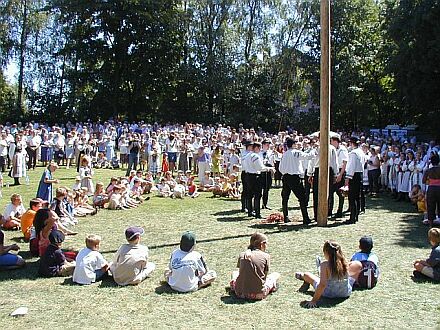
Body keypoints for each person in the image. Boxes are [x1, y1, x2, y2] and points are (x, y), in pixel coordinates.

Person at [295, 240, 355, 308]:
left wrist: (313, 301)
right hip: (345, 293)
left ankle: (302, 276)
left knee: (307, 275)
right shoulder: (346, 263)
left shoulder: (325, 265)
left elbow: (322, 284)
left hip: (328, 293)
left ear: (326, 252)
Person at [229, 232, 280, 300]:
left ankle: (235, 287)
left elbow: (241, 272)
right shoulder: (266, 256)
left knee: (234, 273)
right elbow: (264, 277)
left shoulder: (242, 255)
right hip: (258, 294)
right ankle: (272, 287)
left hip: (240, 293)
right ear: (262, 244)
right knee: (276, 275)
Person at [279, 137, 313, 224]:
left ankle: (285, 216)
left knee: (285, 198)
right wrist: (313, 149)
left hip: (286, 177)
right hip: (295, 178)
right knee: (302, 198)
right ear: (293, 144)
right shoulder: (296, 153)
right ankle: (306, 218)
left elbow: (280, 168)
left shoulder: (285, 154)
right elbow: (308, 157)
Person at [244, 142, 274, 219]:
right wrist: (269, 168)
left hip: (247, 175)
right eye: (259, 148)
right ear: (256, 148)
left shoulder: (247, 155)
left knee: (250, 195)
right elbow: (260, 168)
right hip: (255, 176)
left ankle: (250, 211)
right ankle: (257, 213)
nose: (260, 150)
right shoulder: (255, 156)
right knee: (257, 195)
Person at [345, 137, 365, 224]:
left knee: (352, 197)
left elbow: (351, 166)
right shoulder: (361, 152)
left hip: (354, 175)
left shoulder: (353, 153)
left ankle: (352, 217)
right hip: (360, 174)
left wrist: (348, 178)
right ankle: (355, 216)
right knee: (357, 197)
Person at [329, 134, 348, 218]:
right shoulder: (333, 149)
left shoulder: (342, 149)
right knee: (330, 192)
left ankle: (339, 211)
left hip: (340, 171)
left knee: (340, 193)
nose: (330, 143)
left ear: (336, 141)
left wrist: (340, 175)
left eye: (332, 141)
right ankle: (329, 210)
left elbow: (344, 163)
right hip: (335, 171)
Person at [422, 153, 440, 228]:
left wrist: (431, 182)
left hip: (431, 189)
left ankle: (430, 225)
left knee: (430, 206)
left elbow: (423, 181)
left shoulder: (428, 170)